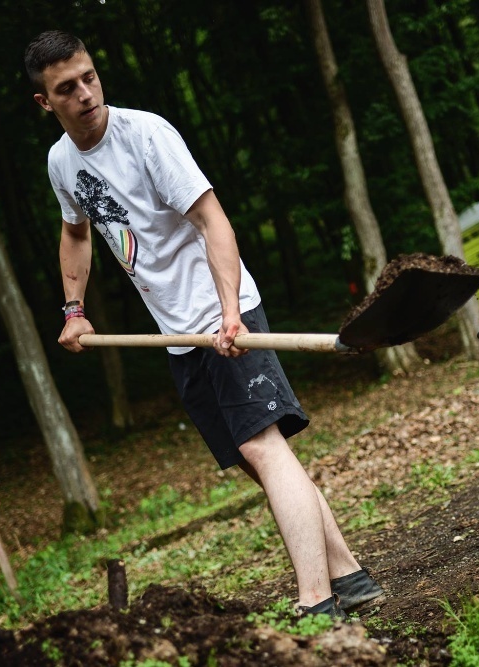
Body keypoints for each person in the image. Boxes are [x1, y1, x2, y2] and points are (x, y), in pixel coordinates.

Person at [24, 30, 383, 619]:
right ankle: (348, 574)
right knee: (255, 461)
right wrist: (74, 308)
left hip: (223, 311)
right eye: (68, 87)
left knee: (262, 448)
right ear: (45, 102)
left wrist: (230, 314)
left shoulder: (146, 136)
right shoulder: (61, 161)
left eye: (89, 76)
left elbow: (214, 220)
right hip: (177, 334)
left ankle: (317, 602)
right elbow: (75, 231)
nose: (86, 93)